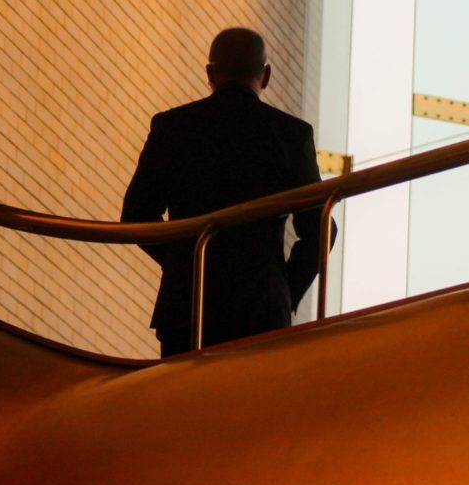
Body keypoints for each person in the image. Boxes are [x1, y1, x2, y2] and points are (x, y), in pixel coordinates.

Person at [122, 28, 333, 358]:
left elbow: (136, 216)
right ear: (266, 76)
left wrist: (186, 260)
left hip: (189, 306)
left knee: (185, 405)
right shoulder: (291, 135)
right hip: (261, 309)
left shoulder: (172, 127)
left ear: (209, 73)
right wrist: (284, 289)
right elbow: (321, 228)